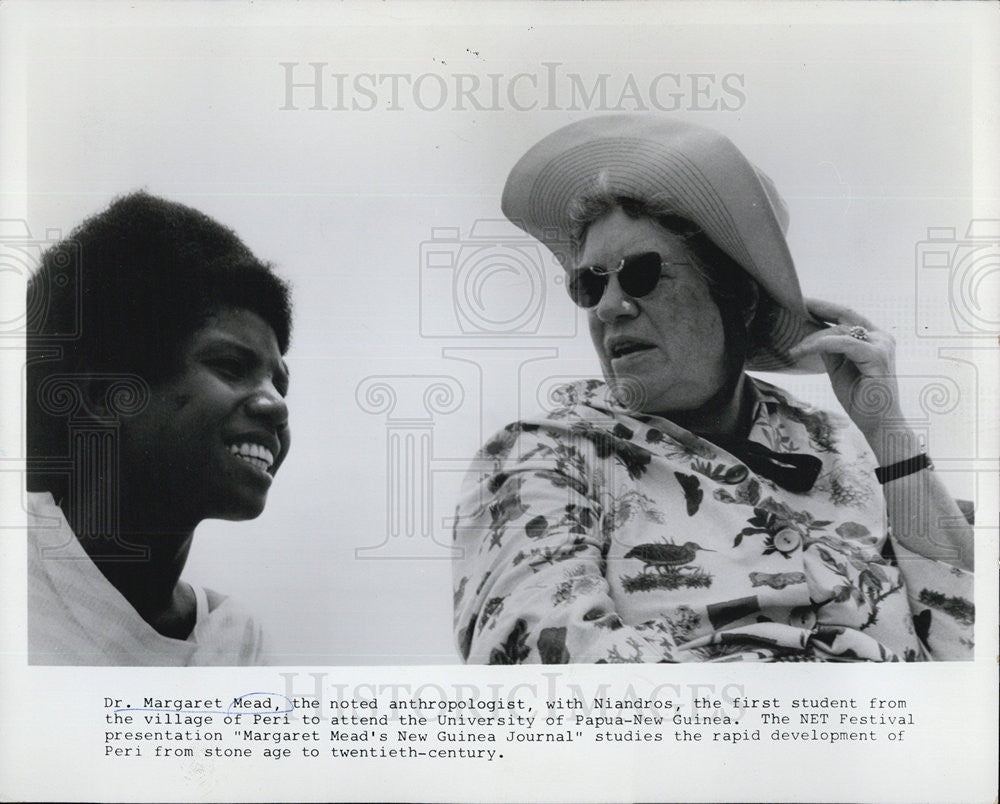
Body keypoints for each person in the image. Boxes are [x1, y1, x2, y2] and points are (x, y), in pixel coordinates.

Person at [452, 116, 974, 663]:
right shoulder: (544, 457)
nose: (608, 308)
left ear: (739, 298)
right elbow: (548, 673)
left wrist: (887, 432)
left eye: (641, 274)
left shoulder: (843, 447)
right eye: (589, 283)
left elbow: (970, 641)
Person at [26, 192, 292, 665]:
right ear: (106, 396)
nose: (275, 404)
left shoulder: (237, 643)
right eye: (231, 366)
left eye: (279, 383)